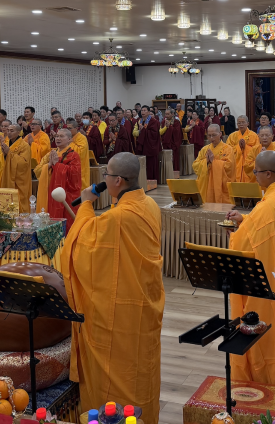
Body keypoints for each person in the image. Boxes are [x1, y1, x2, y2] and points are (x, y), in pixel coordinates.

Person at [60, 152, 164, 424]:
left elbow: (81, 247)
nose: (103, 179)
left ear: (117, 180)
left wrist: (85, 204)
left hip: (119, 313)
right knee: (142, 367)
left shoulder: (119, 218)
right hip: (144, 304)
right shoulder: (150, 204)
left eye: (106, 175)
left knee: (116, 370)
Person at [224, 151, 275, 386]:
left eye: (256, 171)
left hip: (267, 278)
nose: (254, 175)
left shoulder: (268, 206)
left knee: (265, 329)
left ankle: (265, 381)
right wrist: (245, 220)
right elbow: (266, 230)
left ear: (268, 174)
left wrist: (235, 235)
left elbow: (246, 243)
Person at [36, 129, 81, 229]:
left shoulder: (73, 155)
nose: (58, 138)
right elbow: (37, 171)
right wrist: (49, 165)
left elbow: (74, 176)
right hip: (51, 190)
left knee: (67, 219)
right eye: (56, 136)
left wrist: (57, 165)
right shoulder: (51, 154)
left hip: (67, 193)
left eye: (61, 136)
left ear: (69, 139)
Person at [193, 124, 235, 203]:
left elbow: (229, 166)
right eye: (209, 135)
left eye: (214, 135)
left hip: (220, 185)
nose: (211, 138)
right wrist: (206, 161)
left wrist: (214, 161)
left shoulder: (228, 149)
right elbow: (195, 165)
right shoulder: (205, 149)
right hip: (207, 184)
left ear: (220, 134)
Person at [0, 124, 32, 213]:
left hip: (18, 179)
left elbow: (24, 163)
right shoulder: (5, 144)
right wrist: (4, 155)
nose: (9, 132)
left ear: (19, 132)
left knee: (19, 202)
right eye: (8, 130)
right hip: (6, 177)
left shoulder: (24, 145)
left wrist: (10, 154)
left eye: (12, 131)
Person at [227, 116, 260, 182]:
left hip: (248, 165)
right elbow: (228, 151)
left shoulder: (254, 135)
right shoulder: (232, 136)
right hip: (236, 164)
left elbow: (257, 151)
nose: (241, 124)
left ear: (247, 123)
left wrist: (246, 147)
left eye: (243, 122)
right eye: (239, 123)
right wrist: (238, 147)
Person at [134, 105, 161, 181]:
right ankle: (143, 179)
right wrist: (141, 131)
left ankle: (152, 180)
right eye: (142, 110)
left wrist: (144, 130)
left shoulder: (154, 121)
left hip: (150, 146)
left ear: (149, 112)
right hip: (143, 145)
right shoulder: (141, 121)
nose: (143, 112)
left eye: (145, 110)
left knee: (150, 164)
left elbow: (154, 134)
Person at [67, 118, 90, 190]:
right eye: (67, 128)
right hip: (70, 167)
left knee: (80, 189)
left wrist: (70, 143)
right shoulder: (68, 138)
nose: (68, 130)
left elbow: (79, 152)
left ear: (76, 128)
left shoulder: (82, 138)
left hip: (81, 167)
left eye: (70, 128)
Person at [160, 109, 182, 174]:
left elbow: (177, 132)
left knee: (174, 158)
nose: (166, 115)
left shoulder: (176, 122)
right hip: (165, 142)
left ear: (172, 114)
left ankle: (174, 173)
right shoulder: (163, 121)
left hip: (173, 143)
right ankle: (166, 172)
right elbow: (162, 131)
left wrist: (170, 126)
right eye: (165, 114)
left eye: (168, 114)